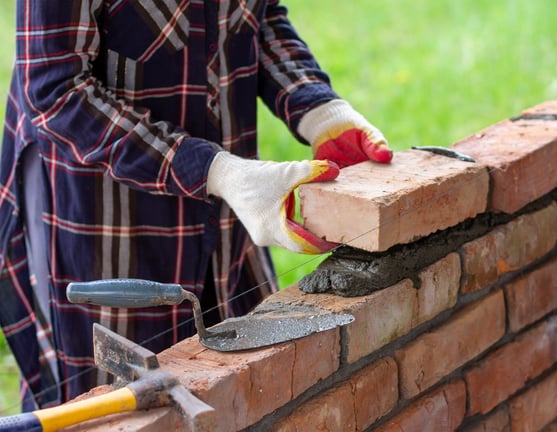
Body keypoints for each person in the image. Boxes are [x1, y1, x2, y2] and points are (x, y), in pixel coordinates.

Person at [0, 0, 392, 410]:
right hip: (104, 216)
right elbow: (55, 91)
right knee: (114, 407)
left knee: (248, 392)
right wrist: (216, 172)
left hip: (228, 204)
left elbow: (258, 18)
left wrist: (318, 110)